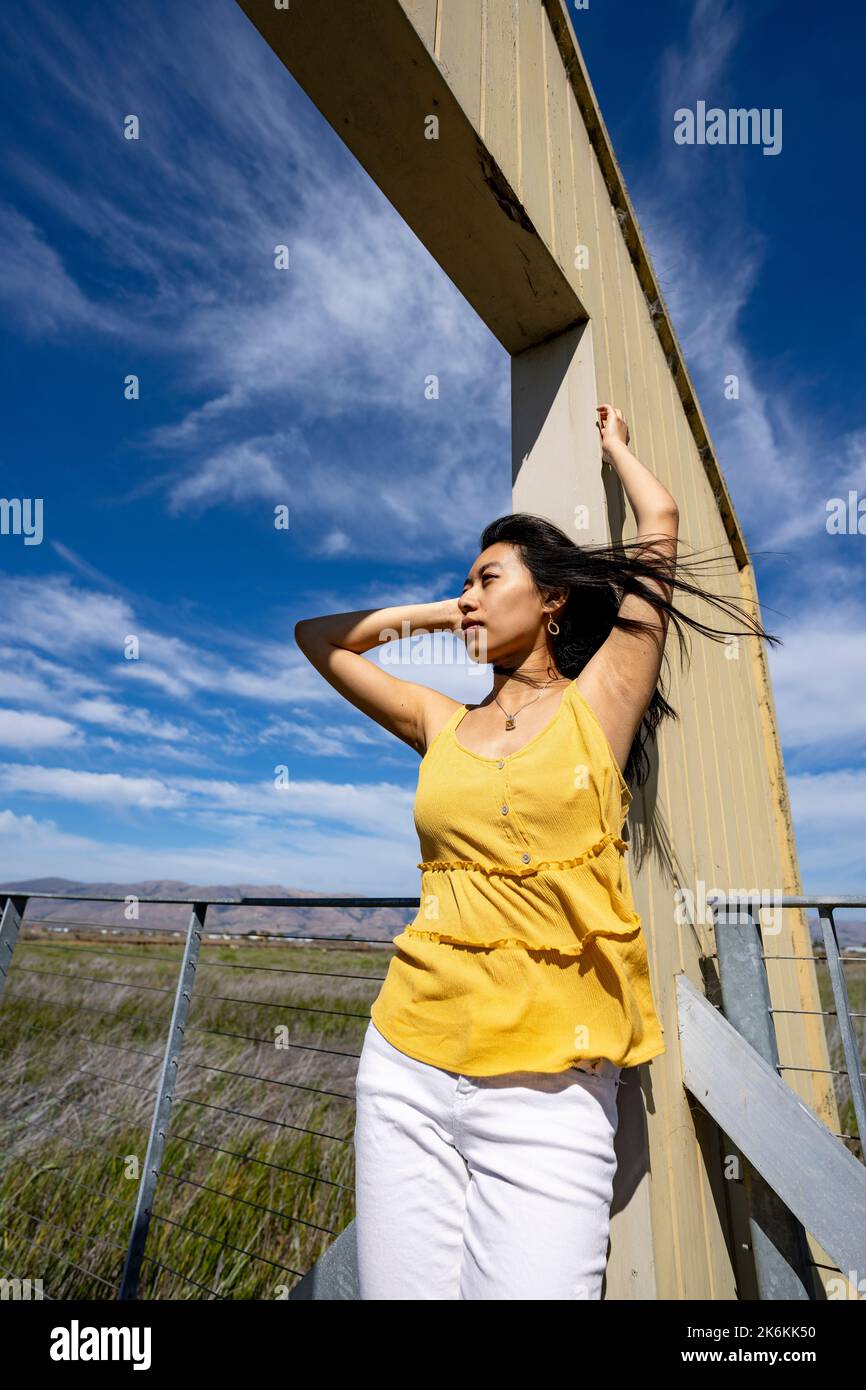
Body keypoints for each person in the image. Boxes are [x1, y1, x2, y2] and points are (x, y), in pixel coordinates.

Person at [294, 403, 780, 1300]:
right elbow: (321, 639)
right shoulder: (442, 722)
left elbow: (659, 525)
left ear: (552, 599)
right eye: (466, 584)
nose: (472, 595)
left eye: (489, 578)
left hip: (551, 1088)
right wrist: (449, 611)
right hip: (407, 1058)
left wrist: (616, 450)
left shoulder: (602, 701)